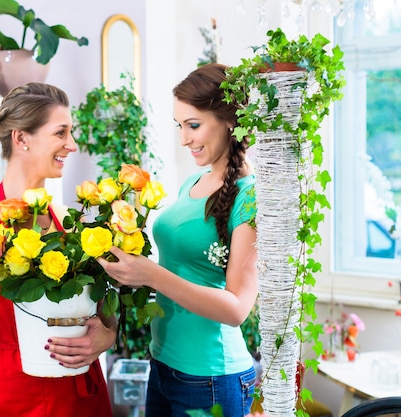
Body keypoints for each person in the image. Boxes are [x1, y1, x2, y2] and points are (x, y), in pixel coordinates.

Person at [0, 83, 115, 417]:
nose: (71, 145)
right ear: (21, 139)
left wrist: (107, 336)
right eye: (61, 133)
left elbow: (103, 318)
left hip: (81, 397)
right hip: (10, 399)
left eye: (70, 133)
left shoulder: (70, 223)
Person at [97, 63, 258, 417]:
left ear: (230, 120)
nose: (184, 138)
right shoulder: (194, 183)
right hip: (164, 364)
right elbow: (184, 266)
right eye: (180, 126)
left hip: (210, 378)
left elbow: (236, 309)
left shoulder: (251, 198)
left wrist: (150, 275)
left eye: (194, 125)